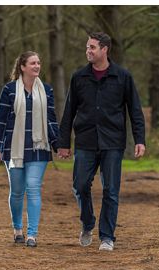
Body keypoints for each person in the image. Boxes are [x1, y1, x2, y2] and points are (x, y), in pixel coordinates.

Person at [56, 32, 146, 252]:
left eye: (92, 47)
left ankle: (107, 237)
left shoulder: (122, 76)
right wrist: (63, 142)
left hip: (113, 142)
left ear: (105, 49)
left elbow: (135, 110)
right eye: (87, 47)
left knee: (111, 191)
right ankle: (88, 223)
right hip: (85, 141)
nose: (88, 51)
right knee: (79, 186)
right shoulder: (79, 77)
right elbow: (69, 111)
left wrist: (139, 139)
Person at [0, 51, 59, 247]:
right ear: (22, 67)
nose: (37, 66)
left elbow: (52, 120)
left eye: (39, 62)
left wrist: (58, 145)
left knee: (33, 188)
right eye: (33, 63)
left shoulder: (46, 90)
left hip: (39, 147)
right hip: (13, 149)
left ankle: (32, 234)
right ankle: (17, 229)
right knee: (17, 191)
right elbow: (0, 120)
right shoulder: (9, 90)